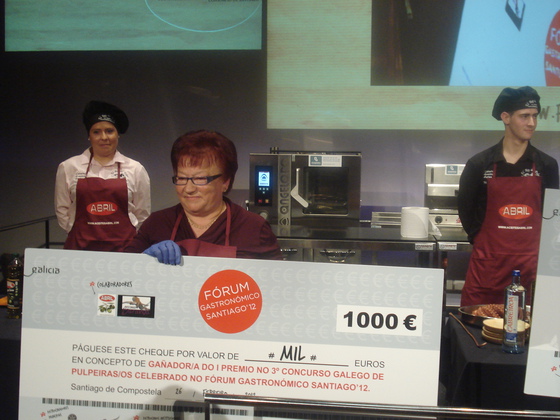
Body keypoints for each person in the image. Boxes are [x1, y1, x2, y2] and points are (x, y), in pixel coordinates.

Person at [458, 86, 559, 306]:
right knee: (475, 323)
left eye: (534, 116)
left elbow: (553, 218)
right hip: (488, 268)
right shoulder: (479, 165)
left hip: (531, 269)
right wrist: (485, 245)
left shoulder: (547, 166)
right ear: (506, 118)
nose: (532, 123)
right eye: (524, 116)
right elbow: (466, 212)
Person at [125, 129, 282, 263]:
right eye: (182, 178)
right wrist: (143, 260)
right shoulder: (157, 223)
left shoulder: (253, 227)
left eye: (200, 179)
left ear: (225, 182)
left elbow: (276, 281)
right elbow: (124, 273)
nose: (188, 189)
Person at [55, 100, 151, 251]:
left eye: (109, 131)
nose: (104, 137)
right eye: (96, 132)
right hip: (80, 248)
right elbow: (62, 209)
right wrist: (74, 232)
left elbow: (143, 213)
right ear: (89, 136)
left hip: (125, 249)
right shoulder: (68, 167)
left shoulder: (135, 169)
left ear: (117, 134)